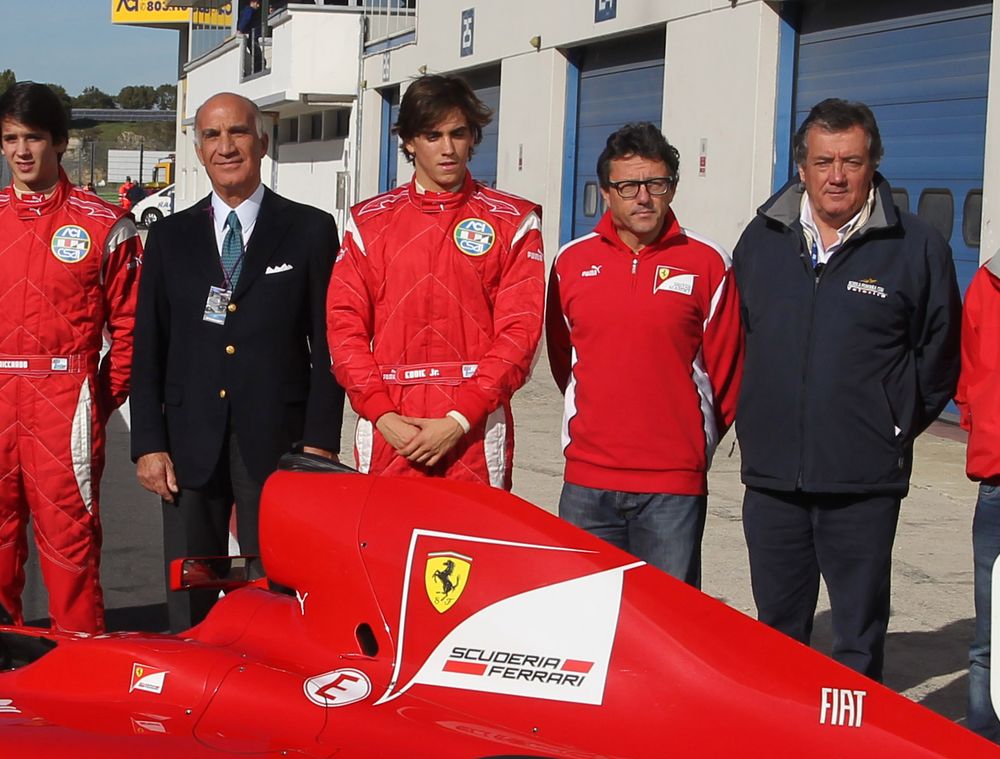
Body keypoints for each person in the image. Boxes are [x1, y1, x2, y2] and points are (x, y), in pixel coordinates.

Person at [732, 98, 962, 681]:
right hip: (773, 478)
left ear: (874, 164)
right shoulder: (761, 240)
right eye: (824, 161)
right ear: (801, 167)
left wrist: (890, 420)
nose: (837, 176)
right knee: (777, 628)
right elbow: (736, 340)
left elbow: (938, 355)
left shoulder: (915, 246)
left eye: (852, 161)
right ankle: (782, 732)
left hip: (863, 482)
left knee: (857, 634)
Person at [130, 92, 344, 632]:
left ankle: (276, 684)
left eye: (239, 133)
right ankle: (192, 678)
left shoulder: (310, 230)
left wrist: (320, 441)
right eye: (212, 136)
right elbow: (148, 345)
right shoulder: (169, 237)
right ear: (198, 150)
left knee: (277, 578)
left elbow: (330, 346)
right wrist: (149, 443)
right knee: (194, 578)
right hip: (187, 440)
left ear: (263, 143)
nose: (226, 147)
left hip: (278, 439)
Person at [545, 122, 742, 586]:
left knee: (667, 629)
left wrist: (691, 448)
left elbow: (729, 371)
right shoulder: (570, 262)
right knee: (583, 621)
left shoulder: (708, 262)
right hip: (587, 483)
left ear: (671, 188)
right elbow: (564, 362)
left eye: (656, 184)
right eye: (628, 185)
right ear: (607, 192)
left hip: (672, 487)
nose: (643, 198)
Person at [327, 74, 544, 489]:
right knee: (384, 550)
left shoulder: (513, 220)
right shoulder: (368, 222)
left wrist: (458, 420)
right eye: (432, 135)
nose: (447, 149)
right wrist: (382, 415)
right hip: (391, 429)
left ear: (473, 137)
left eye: (458, 134)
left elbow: (521, 334)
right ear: (409, 141)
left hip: (473, 433)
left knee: (471, 551)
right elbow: (344, 329)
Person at [0, 82, 143, 634]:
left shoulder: (104, 222)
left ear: (60, 142)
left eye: (33, 137)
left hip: (65, 397)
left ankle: (76, 667)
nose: (21, 151)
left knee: (70, 544)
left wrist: (97, 401)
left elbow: (130, 329)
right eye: (10, 138)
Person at [956, 255, 1000, 742]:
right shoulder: (989, 281)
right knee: (991, 636)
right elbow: (968, 369)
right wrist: (983, 424)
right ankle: (981, 741)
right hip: (999, 484)